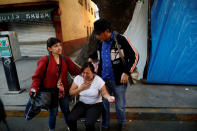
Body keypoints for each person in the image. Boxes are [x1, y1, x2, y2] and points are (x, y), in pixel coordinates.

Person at [89, 19, 139, 131]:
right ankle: (105, 125)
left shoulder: (121, 39)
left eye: (98, 34)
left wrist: (126, 72)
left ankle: (122, 123)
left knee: (120, 106)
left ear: (107, 31)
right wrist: (90, 58)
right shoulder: (100, 42)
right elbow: (95, 54)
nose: (97, 36)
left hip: (118, 81)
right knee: (104, 105)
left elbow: (135, 56)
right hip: (103, 81)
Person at [29, 37, 81, 131]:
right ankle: (51, 129)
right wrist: (34, 88)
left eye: (60, 45)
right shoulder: (44, 60)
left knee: (66, 110)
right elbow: (37, 76)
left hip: (63, 91)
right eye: (56, 46)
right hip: (50, 92)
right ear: (49, 49)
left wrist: (87, 71)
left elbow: (75, 70)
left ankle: (70, 126)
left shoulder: (65, 59)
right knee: (53, 113)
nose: (59, 48)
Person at [67, 62, 115, 131]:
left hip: (95, 105)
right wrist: (80, 88)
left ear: (93, 72)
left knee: (89, 123)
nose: (85, 75)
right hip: (82, 103)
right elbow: (71, 92)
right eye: (83, 72)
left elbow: (104, 93)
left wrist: (109, 97)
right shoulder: (78, 78)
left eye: (88, 73)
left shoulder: (98, 80)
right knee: (70, 118)